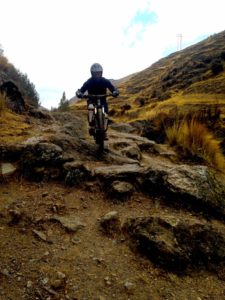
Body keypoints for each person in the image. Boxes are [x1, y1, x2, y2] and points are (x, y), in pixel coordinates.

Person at [76, 63, 119, 138]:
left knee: (105, 114)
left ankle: (104, 130)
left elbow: (112, 88)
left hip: (102, 100)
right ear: (92, 73)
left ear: (101, 73)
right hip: (92, 100)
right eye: (95, 73)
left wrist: (115, 92)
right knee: (90, 108)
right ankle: (92, 126)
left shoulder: (105, 81)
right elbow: (81, 90)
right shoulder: (89, 82)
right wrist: (79, 93)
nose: (97, 75)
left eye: (99, 73)